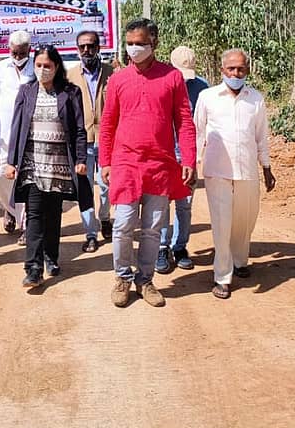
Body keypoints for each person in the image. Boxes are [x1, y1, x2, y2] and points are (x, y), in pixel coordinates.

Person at [100, 19, 196, 308]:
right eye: (130, 43)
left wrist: (188, 159)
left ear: (154, 42)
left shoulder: (172, 77)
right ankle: (122, 278)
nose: (134, 48)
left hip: (160, 164)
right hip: (126, 163)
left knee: (153, 228)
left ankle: (145, 280)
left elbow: (184, 121)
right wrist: (105, 161)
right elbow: (108, 123)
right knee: (123, 225)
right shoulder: (118, 80)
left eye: (140, 43)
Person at [5, 45, 90, 288]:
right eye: (39, 65)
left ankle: (51, 257)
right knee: (34, 214)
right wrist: (11, 161)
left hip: (59, 164)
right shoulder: (26, 91)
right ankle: (33, 268)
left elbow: (79, 129)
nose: (42, 70)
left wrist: (81, 159)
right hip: (32, 163)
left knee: (53, 213)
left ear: (56, 67)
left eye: (47, 66)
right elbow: (16, 127)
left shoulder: (70, 93)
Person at [194, 49, 276, 299]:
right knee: (221, 223)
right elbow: (198, 132)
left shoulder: (256, 99)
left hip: (247, 169)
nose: (236, 73)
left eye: (240, 69)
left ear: (247, 70)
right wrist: (193, 164)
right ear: (222, 70)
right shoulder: (208, 97)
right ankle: (222, 276)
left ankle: (240, 260)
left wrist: (266, 167)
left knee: (245, 219)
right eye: (231, 69)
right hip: (217, 169)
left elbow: (261, 136)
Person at [156, 45, 210, 274]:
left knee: (184, 205)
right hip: (165, 155)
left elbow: (206, 123)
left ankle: (180, 247)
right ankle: (161, 247)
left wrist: (199, 155)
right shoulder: (161, 83)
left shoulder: (202, 87)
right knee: (161, 204)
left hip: (189, 156)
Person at [67, 29, 113, 252]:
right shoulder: (69, 76)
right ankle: (90, 233)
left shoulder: (112, 73)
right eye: (82, 46)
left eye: (91, 46)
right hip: (81, 141)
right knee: (84, 189)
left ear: (98, 48)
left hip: (107, 139)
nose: (87, 50)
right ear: (77, 49)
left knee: (106, 185)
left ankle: (105, 218)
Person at [0, 30, 34, 240]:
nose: (17, 57)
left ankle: (26, 224)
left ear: (29, 49)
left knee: (27, 178)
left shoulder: (36, 66)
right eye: (14, 53)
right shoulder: (2, 67)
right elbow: (1, 95)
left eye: (21, 53)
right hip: (4, 130)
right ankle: (9, 207)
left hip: (30, 131)